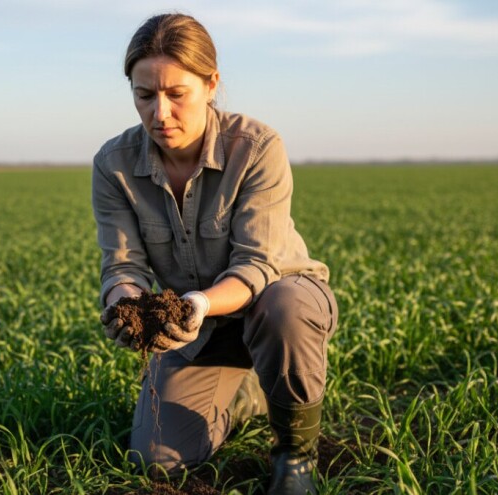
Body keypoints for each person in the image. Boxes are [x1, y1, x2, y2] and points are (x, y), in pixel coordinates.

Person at [92, 12, 338, 495]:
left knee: (283, 306)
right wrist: (125, 303)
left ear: (211, 84)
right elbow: (123, 265)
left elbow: (257, 267)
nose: (159, 113)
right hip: (200, 329)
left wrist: (197, 303)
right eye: (144, 96)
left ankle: (295, 457)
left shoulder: (256, 146)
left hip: (277, 304)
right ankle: (250, 392)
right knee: (156, 459)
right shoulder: (113, 165)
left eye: (176, 94)